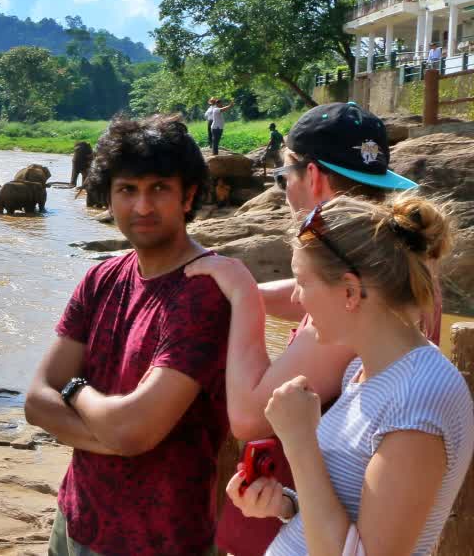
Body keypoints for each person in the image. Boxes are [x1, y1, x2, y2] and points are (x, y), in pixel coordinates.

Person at [201, 101, 432, 556]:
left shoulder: (359, 306)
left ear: (314, 178)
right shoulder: (391, 261)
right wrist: (245, 289)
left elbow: (249, 415)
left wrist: (241, 297)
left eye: (282, 177)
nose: (283, 190)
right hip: (310, 511)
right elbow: (311, 291)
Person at [193, 195, 473, 555]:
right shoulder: (362, 370)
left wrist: (299, 442)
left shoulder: (422, 398)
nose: (296, 297)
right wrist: (285, 506)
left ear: (350, 292)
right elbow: (347, 514)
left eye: (302, 282)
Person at [25, 114, 230, 556]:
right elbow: (37, 401)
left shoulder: (205, 293)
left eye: (159, 188)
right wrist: (114, 437)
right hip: (76, 517)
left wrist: (76, 389)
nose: (142, 207)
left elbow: (134, 431)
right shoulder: (101, 279)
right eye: (127, 190)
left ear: (188, 194)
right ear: (109, 196)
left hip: (163, 539)